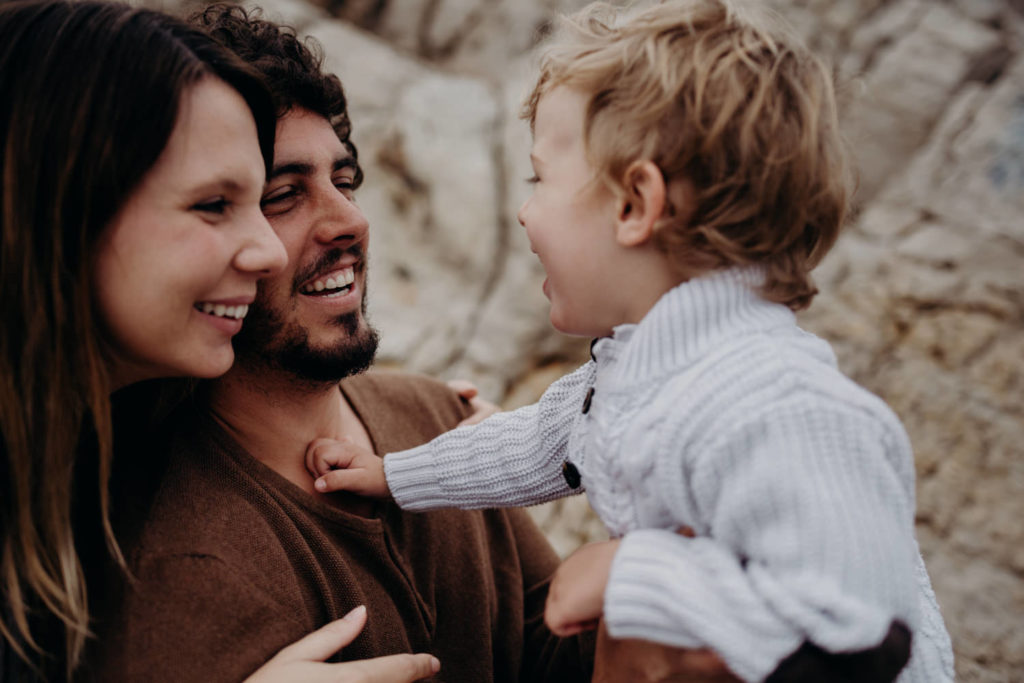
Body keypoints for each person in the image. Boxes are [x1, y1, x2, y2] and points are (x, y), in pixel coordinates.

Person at [306, 2, 956, 682]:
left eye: (541, 180)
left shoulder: (780, 403)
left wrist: (633, 571)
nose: (525, 210)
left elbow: (862, 630)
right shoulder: (632, 372)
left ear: (635, 204)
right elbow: (534, 445)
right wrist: (394, 475)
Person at [79, 5, 594, 681]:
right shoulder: (186, 565)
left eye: (345, 181)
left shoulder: (441, 416)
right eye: (285, 194)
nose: (349, 219)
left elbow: (563, 651)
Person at [1, 2, 442, 682]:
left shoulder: (88, 463)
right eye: (216, 204)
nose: (267, 252)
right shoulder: (171, 542)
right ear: (62, 208)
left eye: (345, 181)